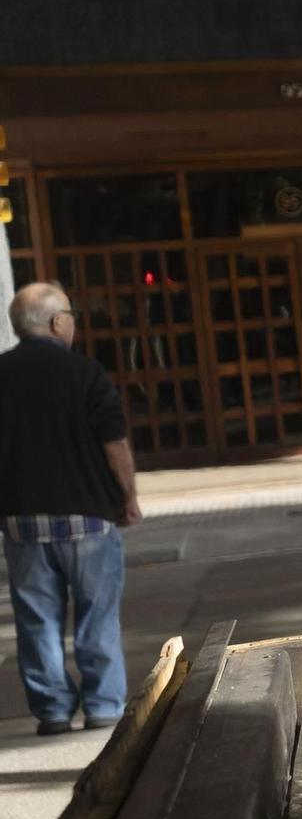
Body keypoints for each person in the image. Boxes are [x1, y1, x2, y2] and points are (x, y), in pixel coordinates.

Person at [0, 284, 141, 736]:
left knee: (36, 622)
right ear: (58, 321)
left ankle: (53, 711)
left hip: (21, 522)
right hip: (88, 518)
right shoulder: (85, 373)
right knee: (97, 615)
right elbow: (114, 444)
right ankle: (102, 705)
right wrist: (128, 497)